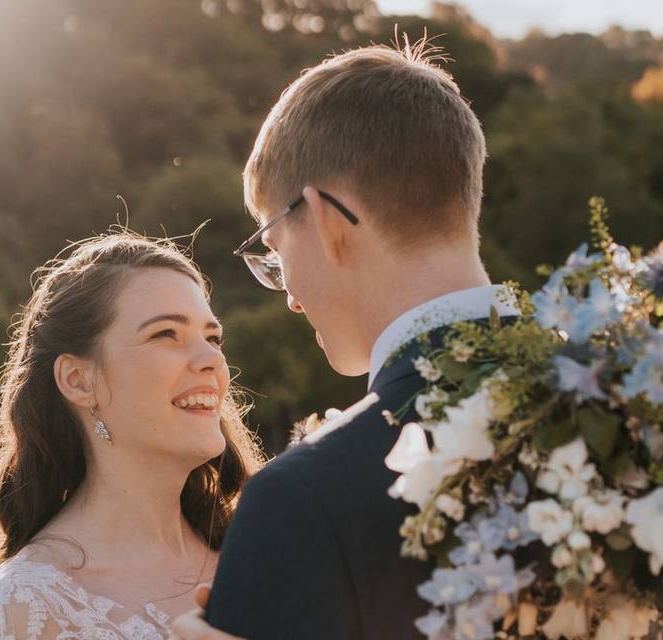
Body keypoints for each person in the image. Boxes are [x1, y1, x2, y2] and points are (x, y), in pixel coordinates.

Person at [172, 40, 519, 639]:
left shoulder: (302, 501)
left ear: (327, 220)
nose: (289, 295)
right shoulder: (650, 410)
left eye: (276, 251)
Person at [0, 233, 264, 640]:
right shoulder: (35, 600)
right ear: (79, 381)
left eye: (213, 337)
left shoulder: (263, 549)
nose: (213, 360)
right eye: (166, 333)